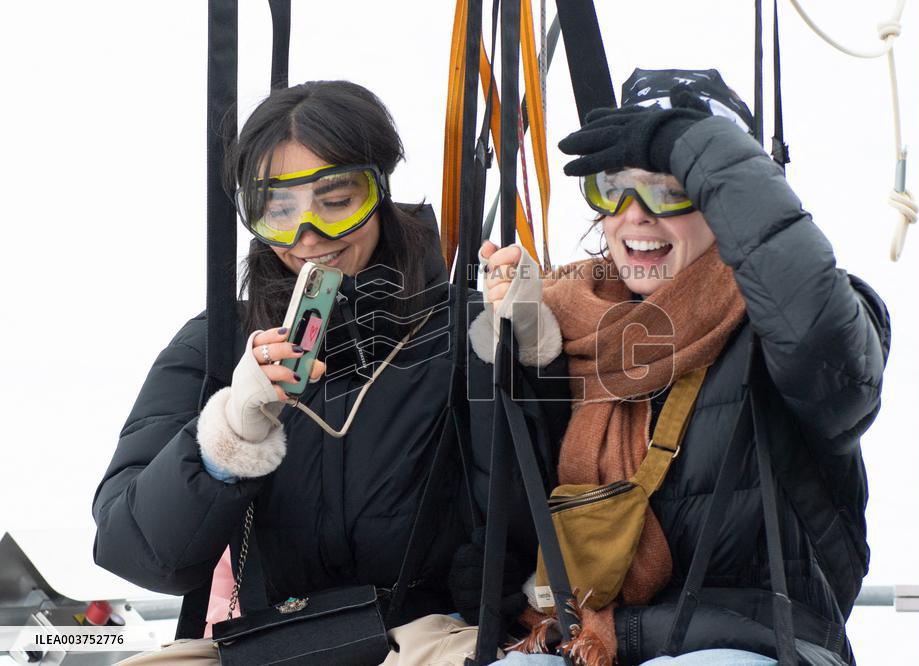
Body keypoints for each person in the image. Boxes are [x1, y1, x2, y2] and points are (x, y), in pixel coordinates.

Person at [92, 80, 568, 664]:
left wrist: (522, 356)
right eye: (278, 211)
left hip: (428, 636)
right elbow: (137, 552)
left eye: (337, 200)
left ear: (380, 192)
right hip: (277, 640)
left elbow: (528, 514)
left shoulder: (460, 326)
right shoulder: (217, 342)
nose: (309, 235)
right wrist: (231, 434)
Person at [473, 69, 890, 665]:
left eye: (672, 188)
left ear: (728, 205)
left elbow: (821, 342)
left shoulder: (797, 320)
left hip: (753, 644)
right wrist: (507, 346)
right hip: (585, 640)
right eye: (614, 188)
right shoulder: (566, 318)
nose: (635, 216)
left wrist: (703, 149)